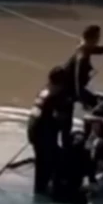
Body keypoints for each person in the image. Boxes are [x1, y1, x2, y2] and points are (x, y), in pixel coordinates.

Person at [26, 66, 72, 195]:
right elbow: (62, 120)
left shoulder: (44, 90)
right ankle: (45, 191)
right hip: (43, 134)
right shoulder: (56, 95)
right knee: (48, 164)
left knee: (43, 164)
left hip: (33, 130)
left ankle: (42, 189)